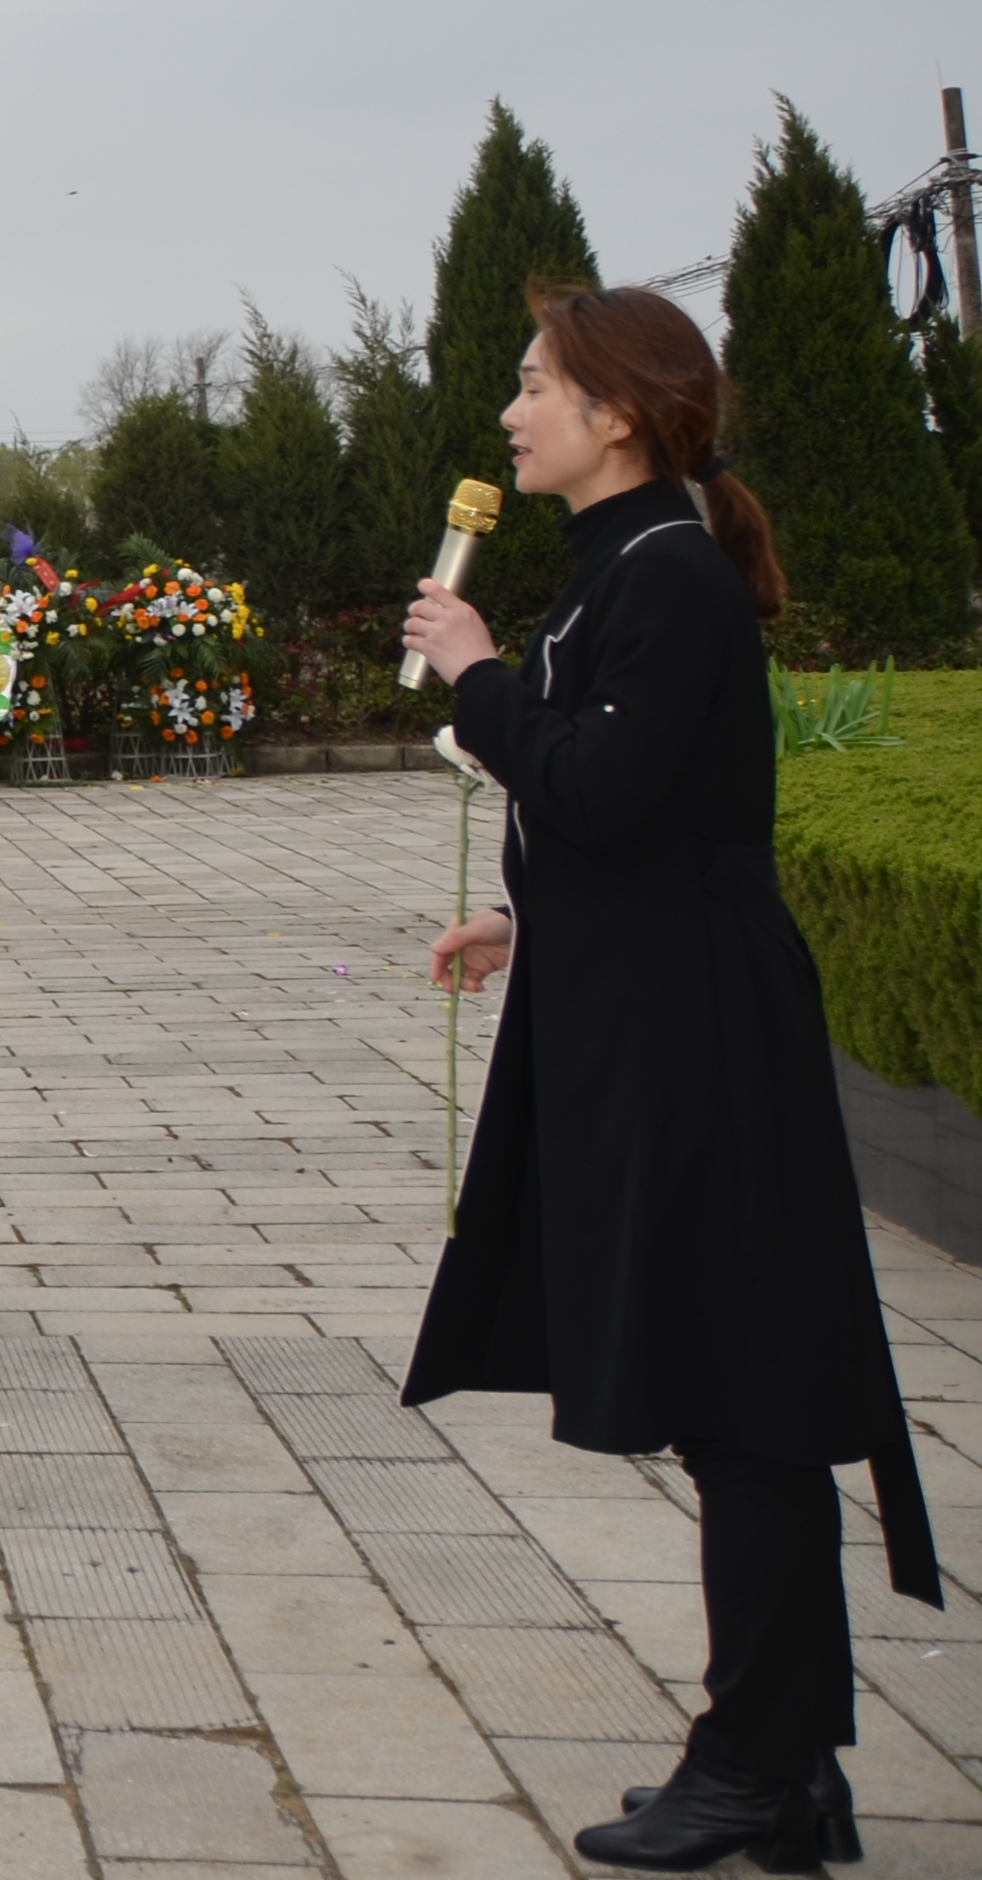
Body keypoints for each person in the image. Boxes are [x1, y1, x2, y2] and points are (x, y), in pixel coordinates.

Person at [399, 284, 940, 1873]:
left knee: (743, 1397)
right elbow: (640, 815)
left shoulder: (670, 577)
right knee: (728, 1400)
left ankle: (763, 1762)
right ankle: (783, 1763)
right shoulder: (625, 568)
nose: (512, 414)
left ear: (619, 413)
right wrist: (527, 920)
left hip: (700, 1045)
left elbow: (603, 788)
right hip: (644, 1014)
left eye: (536, 385)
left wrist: (478, 673)